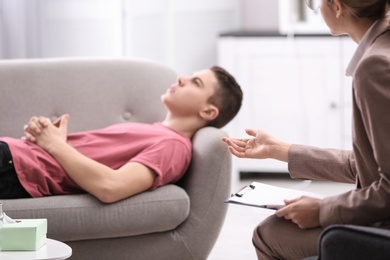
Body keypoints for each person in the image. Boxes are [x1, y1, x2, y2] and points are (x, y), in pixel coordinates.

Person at [222, 0, 390, 259]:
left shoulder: (374, 66)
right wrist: (282, 150)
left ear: (336, 7)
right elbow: (367, 165)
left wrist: (323, 210)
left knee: (268, 234)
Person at [0, 65, 242, 203]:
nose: (181, 78)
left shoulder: (174, 147)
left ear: (208, 111)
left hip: (14, 168)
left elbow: (111, 187)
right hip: (13, 155)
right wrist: (54, 140)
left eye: (195, 82)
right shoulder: (155, 131)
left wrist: (54, 145)